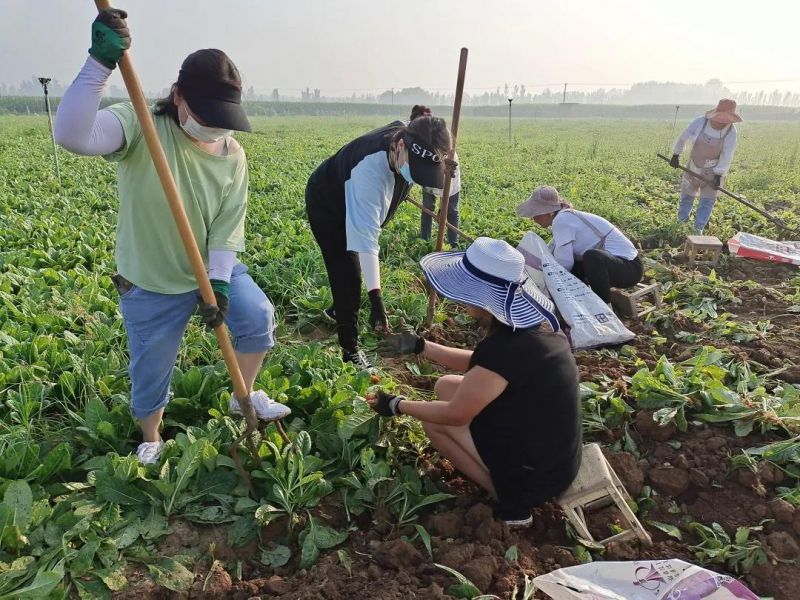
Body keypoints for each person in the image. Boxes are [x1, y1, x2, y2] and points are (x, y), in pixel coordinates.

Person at [54, 9, 290, 465]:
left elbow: (227, 224)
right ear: (178, 97)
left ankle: (244, 392)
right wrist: (99, 64)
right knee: (151, 369)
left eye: (223, 119)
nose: (215, 127)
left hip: (209, 267)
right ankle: (152, 437)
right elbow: (71, 135)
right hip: (151, 278)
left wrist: (218, 283)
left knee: (257, 317)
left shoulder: (232, 154)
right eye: (206, 116)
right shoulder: (142, 124)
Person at [371, 237, 581, 526]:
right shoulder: (533, 330)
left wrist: (396, 404)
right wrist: (422, 346)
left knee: (435, 422)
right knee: (446, 385)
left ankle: (510, 501)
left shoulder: (506, 347)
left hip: (536, 474)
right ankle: (506, 483)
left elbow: (456, 415)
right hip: (556, 455)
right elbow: (486, 367)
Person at [305, 116, 452, 369]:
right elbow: (367, 242)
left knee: (355, 274)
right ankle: (350, 350)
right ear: (400, 146)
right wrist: (376, 299)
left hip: (361, 196)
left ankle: (338, 311)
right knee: (347, 273)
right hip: (329, 204)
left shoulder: (422, 139)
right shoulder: (368, 171)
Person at [517, 186, 642, 302]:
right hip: (619, 266)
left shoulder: (562, 221)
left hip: (630, 269)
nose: (533, 219)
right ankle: (581, 301)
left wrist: (546, 281)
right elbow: (555, 253)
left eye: (535, 214)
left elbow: (564, 263)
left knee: (592, 257)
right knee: (578, 263)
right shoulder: (564, 217)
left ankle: (604, 306)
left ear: (547, 212)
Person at [670, 99, 742, 233]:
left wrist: (719, 175)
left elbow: (727, 155)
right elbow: (683, 138)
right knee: (687, 196)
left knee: (707, 201)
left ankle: (698, 229)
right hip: (693, 166)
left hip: (713, 172)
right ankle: (681, 225)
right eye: (719, 119)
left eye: (724, 121)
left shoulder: (731, 132)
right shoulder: (700, 122)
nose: (721, 123)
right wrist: (676, 154)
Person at [409, 105, 462, 247]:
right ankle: (425, 240)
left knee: (451, 210)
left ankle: (453, 244)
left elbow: (445, 151)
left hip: (448, 169)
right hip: (428, 174)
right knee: (427, 208)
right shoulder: (413, 132)